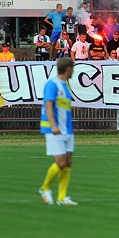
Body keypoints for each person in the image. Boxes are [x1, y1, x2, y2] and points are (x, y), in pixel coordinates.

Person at [38, 57, 77, 206]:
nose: (73, 71)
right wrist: (53, 126)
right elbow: (48, 105)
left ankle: (62, 197)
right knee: (60, 163)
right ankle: (45, 187)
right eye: (72, 68)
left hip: (67, 129)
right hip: (54, 129)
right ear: (68, 69)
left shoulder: (65, 86)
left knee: (67, 163)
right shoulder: (52, 84)